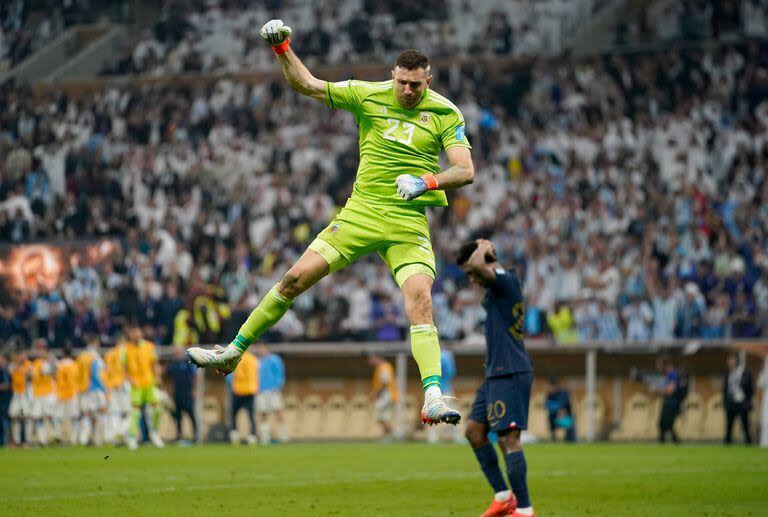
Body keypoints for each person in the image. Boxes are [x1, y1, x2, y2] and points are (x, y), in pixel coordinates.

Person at [187, 20, 474, 426]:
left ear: (429, 80)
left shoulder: (445, 112)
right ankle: (234, 351)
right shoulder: (367, 94)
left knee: (421, 300)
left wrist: (426, 181)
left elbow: (465, 170)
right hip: (361, 213)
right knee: (292, 280)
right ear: (393, 75)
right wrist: (282, 48)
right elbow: (307, 84)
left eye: (417, 85)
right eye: (403, 83)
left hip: (407, 220)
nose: (408, 91)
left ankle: (430, 394)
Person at [459, 239, 535, 517]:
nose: (471, 278)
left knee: (509, 440)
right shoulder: (497, 287)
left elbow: (480, 263)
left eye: (471, 273)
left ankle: (525, 510)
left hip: (511, 371)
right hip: (495, 373)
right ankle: (503, 497)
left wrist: (482, 247)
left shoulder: (505, 280)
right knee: (474, 432)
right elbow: (478, 267)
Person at [125, 324, 164, 449]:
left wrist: (157, 376)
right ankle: (132, 437)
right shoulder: (126, 349)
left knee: (158, 409)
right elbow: (124, 368)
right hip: (136, 384)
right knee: (135, 412)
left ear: (141, 334)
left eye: (138, 332)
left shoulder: (149, 346)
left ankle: (154, 432)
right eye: (133, 333)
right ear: (130, 335)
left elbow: (155, 363)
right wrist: (130, 379)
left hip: (149, 382)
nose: (136, 335)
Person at [76, 335, 108, 446]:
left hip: (83, 389)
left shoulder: (81, 356)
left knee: (87, 414)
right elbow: (96, 375)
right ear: (96, 343)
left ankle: (84, 439)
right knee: (100, 413)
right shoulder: (95, 357)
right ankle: (99, 439)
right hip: (96, 389)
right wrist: (104, 388)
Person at [165, 346, 198, 444]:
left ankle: (196, 435)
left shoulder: (188, 363)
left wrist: (195, 389)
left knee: (191, 414)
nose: (176, 354)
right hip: (177, 393)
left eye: (178, 352)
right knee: (178, 415)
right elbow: (167, 377)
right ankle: (179, 435)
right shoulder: (172, 365)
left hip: (187, 393)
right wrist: (168, 390)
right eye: (175, 352)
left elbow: (195, 375)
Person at [256, 345, 288, 444]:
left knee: (278, 411)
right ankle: (265, 438)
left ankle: (284, 436)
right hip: (261, 391)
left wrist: (278, 386)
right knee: (263, 413)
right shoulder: (257, 361)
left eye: (263, 348)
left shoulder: (275, 359)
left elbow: (280, 373)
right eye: (259, 349)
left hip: (273, 390)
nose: (261, 350)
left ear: (267, 349)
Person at [104, 338, 131, 444]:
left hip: (112, 385)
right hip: (124, 383)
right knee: (129, 411)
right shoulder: (126, 351)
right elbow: (127, 367)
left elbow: (106, 371)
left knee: (115, 412)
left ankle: (117, 436)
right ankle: (121, 432)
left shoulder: (109, 353)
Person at [228, 349, 258, 445]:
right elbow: (256, 375)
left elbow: (231, 374)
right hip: (250, 390)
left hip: (238, 390)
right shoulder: (253, 359)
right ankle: (253, 436)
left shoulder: (235, 358)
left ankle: (234, 434)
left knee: (234, 414)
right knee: (251, 415)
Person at [29, 339, 56, 446]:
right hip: (38, 393)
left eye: (43, 349)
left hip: (48, 392)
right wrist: (40, 372)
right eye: (39, 349)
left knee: (49, 416)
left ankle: (53, 437)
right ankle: (41, 440)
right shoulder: (36, 363)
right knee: (38, 417)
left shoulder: (52, 362)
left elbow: (56, 375)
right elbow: (32, 377)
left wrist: (51, 371)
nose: (41, 352)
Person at [723, 352, 754, 445]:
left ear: (736, 361)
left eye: (732, 360)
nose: (730, 362)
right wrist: (725, 401)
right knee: (729, 425)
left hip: (742, 402)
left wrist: (748, 401)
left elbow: (750, 389)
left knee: (745, 425)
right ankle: (727, 443)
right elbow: (725, 389)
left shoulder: (744, 373)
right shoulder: (728, 374)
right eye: (729, 360)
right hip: (731, 402)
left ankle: (748, 443)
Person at [653, 356, 685, 444]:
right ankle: (666, 441)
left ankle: (673, 441)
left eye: (659, 366)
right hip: (669, 402)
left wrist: (657, 390)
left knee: (666, 424)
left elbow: (671, 390)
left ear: (665, 365)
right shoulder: (668, 375)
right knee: (663, 424)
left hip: (672, 403)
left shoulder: (672, 374)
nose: (658, 368)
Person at [368, 354, 398, 440]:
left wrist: (375, 394)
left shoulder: (384, 367)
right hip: (388, 395)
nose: (370, 361)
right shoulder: (383, 366)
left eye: (371, 359)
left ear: (377, 358)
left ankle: (395, 433)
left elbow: (385, 382)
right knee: (384, 417)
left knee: (378, 415)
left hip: (387, 395)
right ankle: (387, 437)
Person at [54, 347, 79, 445]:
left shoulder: (59, 365)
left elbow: (56, 378)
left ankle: (59, 436)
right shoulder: (74, 365)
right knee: (73, 417)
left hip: (60, 393)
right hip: (72, 393)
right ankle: (73, 439)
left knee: (58, 416)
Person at [8, 350, 31, 446]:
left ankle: (25, 440)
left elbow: (30, 376)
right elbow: (9, 372)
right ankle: (16, 441)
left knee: (24, 417)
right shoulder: (12, 366)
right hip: (16, 395)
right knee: (14, 417)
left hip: (24, 396)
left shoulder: (27, 365)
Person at [545, 377, 575, 442]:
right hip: (554, 417)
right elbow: (547, 405)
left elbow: (566, 406)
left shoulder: (563, 394)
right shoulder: (549, 395)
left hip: (566, 416)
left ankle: (571, 440)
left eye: (550, 387)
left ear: (554, 386)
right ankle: (553, 439)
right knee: (550, 417)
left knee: (569, 425)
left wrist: (562, 411)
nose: (549, 388)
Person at [0, 354, 10, 447]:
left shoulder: (5, 371)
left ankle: (4, 441)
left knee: (4, 419)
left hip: (5, 400)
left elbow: (6, 385)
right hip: (3, 399)